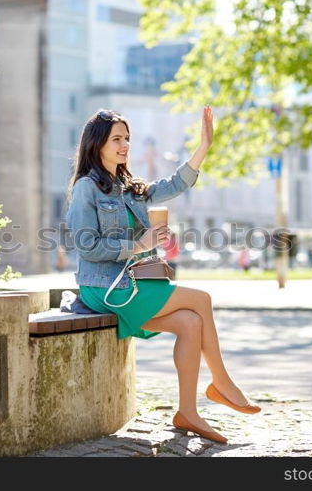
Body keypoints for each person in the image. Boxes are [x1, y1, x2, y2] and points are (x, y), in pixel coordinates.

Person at [65, 106, 260, 444]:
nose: (125, 145)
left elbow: (174, 184)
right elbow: (86, 246)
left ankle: (188, 412)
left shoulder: (129, 188)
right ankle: (223, 382)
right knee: (201, 299)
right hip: (103, 287)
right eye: (117, 139)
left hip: (132, 286)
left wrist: (204, 147)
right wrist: (138, 243)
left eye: (127, 138)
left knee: (191, 322)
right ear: (97, 144)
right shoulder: (87, 188)